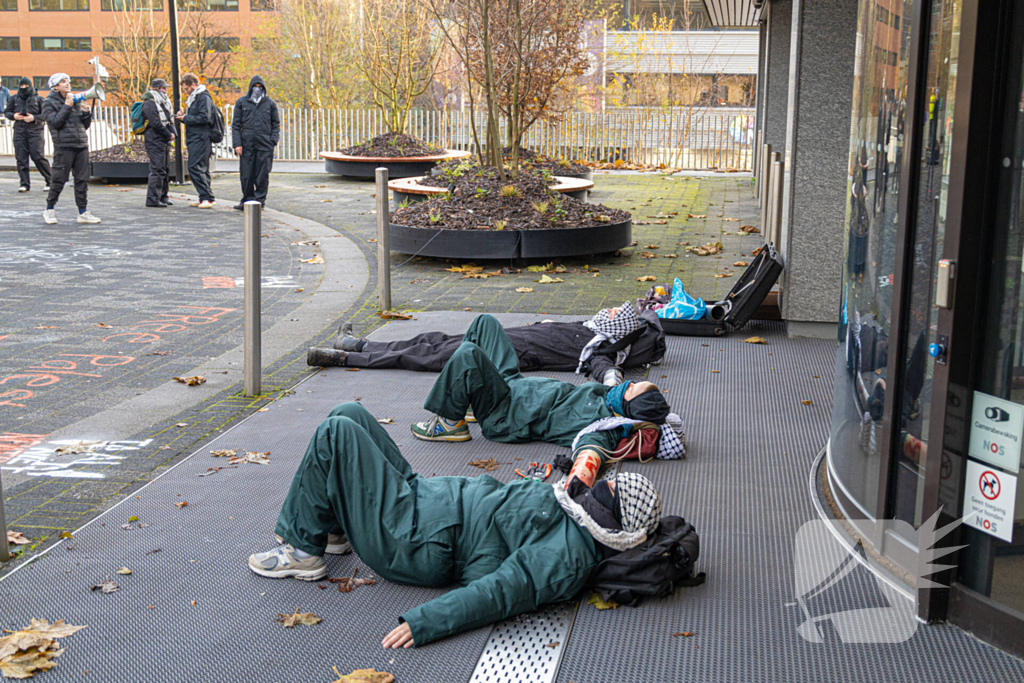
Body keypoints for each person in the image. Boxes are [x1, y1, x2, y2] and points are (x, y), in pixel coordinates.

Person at [247, 401, 663, 648]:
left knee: (336, 433)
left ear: (614, 530)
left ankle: (303, 552)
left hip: (416, 538)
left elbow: (499, 593)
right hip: (429, 502)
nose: (599, 492)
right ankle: (334, 527)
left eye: (606, 498)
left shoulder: (568, 558)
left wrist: (424, 622)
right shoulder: (581, 516)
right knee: (349, 413)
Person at [409, 314, 673, 455]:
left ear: (629, 405)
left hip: (502, 413)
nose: (630, 384)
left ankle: (448, 423)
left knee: (468, 353)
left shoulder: (602, 424)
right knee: (485, 324)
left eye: (633, 388)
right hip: (514, 386)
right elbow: (606, 367)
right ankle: (466, 399)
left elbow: (592, 449)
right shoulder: (608, 394)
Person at [306, 302, 667, 386]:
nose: (611, 308)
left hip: (512, 352)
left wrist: (616, 386)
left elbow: (605, 371)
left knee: (433, 356)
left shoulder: (601, 348)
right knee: (435, 341)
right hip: (509, 337)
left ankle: (343, 357)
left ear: (616, 327)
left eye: (616, 311)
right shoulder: (590, 327)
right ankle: (360, 345)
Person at [41, 73, 100, 225]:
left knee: (82, 180)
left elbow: (84, 126)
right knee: (59, 180)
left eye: (68, 81)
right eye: (63, 82)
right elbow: (55, 122)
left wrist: (86, 113)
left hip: (81, 145)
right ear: (55, 86)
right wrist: (67, 106)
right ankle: (49, 209)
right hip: (64, 147)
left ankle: (82, 212)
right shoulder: (49, 103)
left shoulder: (74, 100)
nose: (67, 84)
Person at [230, 75, 279, 210]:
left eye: (260, 87)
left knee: (262, 174)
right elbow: (235, 125)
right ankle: (247, 199)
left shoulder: (270, 104)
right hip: (247, 144)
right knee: (246, 174)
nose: (257, 89)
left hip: (264, 145)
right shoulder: (242, 102)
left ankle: (259, 200)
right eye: (255, 86)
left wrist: (273, 141)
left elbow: (275, 124)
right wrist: (237, 144)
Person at [4, 77, 52, 193]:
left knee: (38, 156)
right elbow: (7, 112)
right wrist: (14, 116)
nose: (24, 88)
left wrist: (34, 118)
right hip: (19, 131)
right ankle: (24, 184)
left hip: (35, 131)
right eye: (22, 86)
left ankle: (50, 181)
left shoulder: (39, 99)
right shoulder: (14, 98)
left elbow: (46, 115)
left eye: (26, 86)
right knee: (21, 158)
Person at [175, 73, 216, 208]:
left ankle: (207, 197)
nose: (185, 92)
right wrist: (185, 117)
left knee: (194, 166)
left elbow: (204, 118)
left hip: (200, 137)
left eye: (186, 89)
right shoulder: (197, 98)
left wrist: (185, 118)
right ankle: (204, 197)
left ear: (193, 85)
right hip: (197, 137)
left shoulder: (202, 98)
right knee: (202, 168)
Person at [141, 78, 175, 208]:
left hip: (162, 139)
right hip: (154, 139)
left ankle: (163, 196)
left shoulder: (164, 102)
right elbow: (155, 123)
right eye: (163, 88)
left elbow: (168, 120)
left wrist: (172, 134)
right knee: (157, 169)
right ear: (156, 88)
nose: (166, 90)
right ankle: (152, 199)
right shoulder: (150, 102)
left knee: (165, 168)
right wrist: (168, 134)